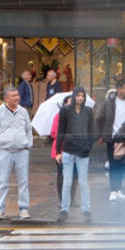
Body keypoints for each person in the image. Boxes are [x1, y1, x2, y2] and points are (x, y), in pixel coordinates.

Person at [0, 85, 33, 220]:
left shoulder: (23, 111)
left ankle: (24, 208)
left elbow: (28, 129)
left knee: (23, 181)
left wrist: (28, 144)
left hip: (21, 150)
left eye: (17, 95)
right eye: (14, 96)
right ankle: (0, 209)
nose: (17, 98)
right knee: (2, 181)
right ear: (6, 98)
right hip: (4, 151)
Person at [55, 87, 95, 223]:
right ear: (73, 96)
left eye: (82, 96)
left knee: (83, 182)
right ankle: (64, 210)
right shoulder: (65, 110)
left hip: (83, 149)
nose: (80, 98)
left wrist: (89, 147)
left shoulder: (88, 111)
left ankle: (87, 211)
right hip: (68, 149)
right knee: (67, 182)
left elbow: (91, 131)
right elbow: (60, 130)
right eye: (78, 95)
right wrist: (58, 151)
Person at [97, 78, 125, 202]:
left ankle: (119, 190)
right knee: (113, 164)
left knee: (123, 165)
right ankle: (113, 190)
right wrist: (100, 135)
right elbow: (100, 118)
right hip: (112, 138)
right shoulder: (109, 103)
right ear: (119, 89)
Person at [49, 94, 78, 207]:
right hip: (61, 150)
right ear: (65, 104)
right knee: (62, 175)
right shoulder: (58, 116)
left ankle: (72, 199)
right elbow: (53, 133)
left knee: (74, 175)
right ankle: (63, 200)